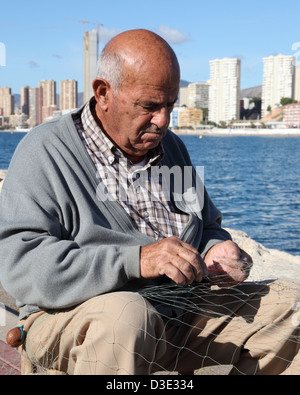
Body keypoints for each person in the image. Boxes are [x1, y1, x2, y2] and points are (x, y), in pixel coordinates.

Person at [0, 29, 299, 375]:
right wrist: (135, 260)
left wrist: (217, 248)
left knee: (290, 305)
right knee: (126, 318)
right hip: (76, 320)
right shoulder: (45, 152)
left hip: (179, 316)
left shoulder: (171, 148)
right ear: (103, 93)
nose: (163, 121)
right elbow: (22, 267)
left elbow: (207, 226)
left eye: (170, 105)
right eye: (149, 106)